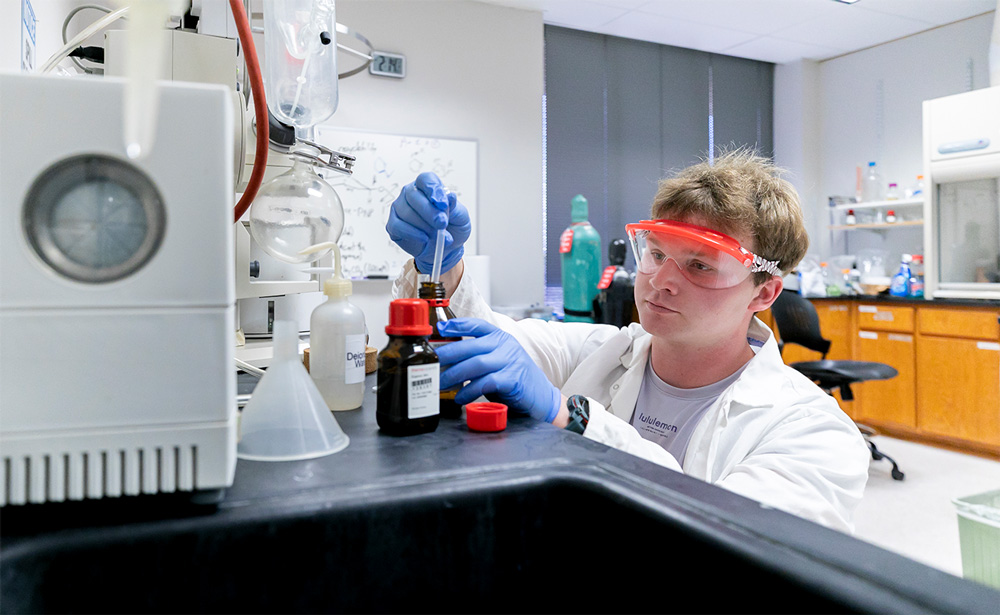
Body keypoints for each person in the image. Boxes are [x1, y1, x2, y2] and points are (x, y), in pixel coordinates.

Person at [386, 151, 869, 533]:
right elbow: (484, 339)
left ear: (763, 292)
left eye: (700, 265)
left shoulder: (815, 434)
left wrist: (574, 419)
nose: (661, 280)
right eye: (656, 253)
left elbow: (727, 544)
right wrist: (442, 268)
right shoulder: (602, 352)